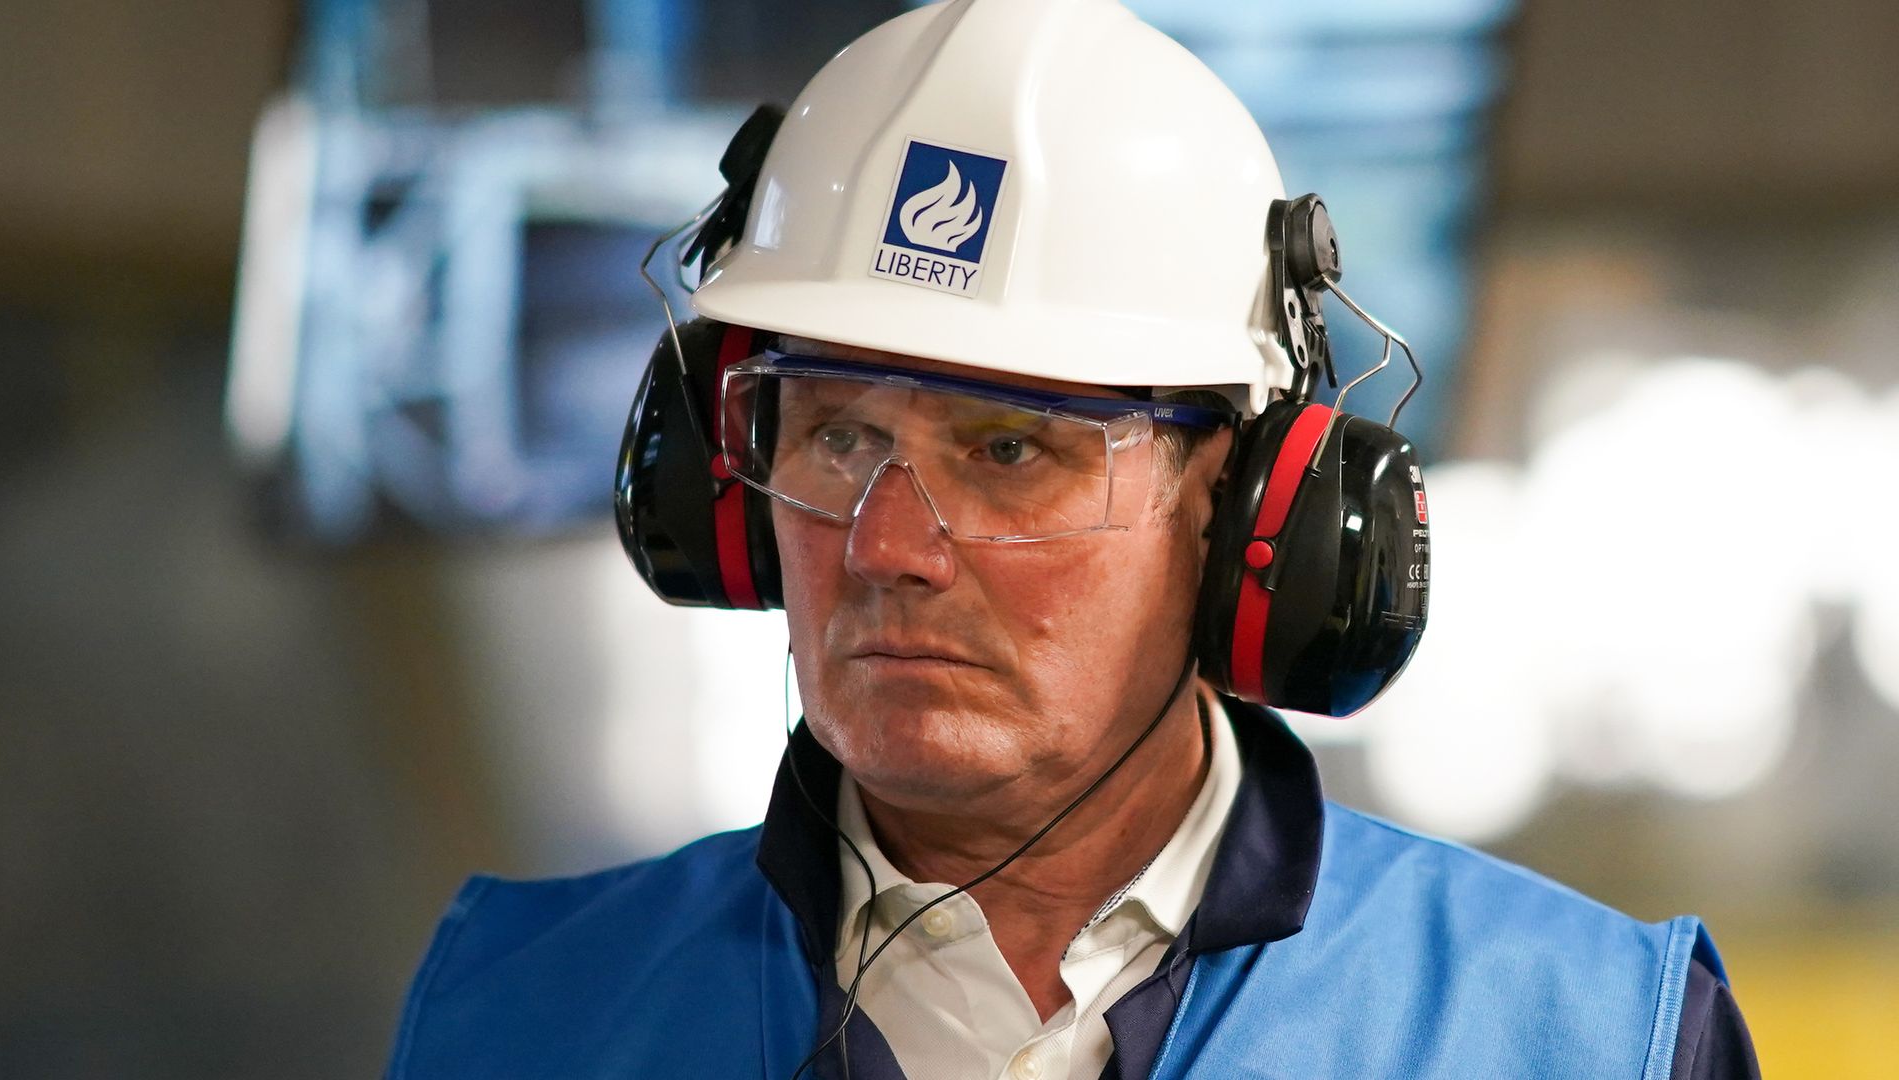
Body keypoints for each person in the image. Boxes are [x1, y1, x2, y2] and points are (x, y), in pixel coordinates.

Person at [384, 1, 1759, 1077]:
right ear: (719, 485)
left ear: (1240, 505)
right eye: (840, 438)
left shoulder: (1588, 1039)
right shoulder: (515, 1015)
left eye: (1007, 453)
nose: (890, 549)